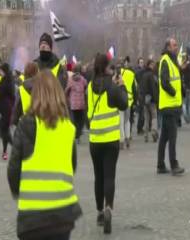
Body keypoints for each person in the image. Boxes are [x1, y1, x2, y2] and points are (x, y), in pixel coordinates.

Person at [8, 70, 82, 240]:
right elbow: (72, 165)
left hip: (33, 216)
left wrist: (19, 192)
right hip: (63, 213)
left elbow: (13, 168)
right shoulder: (68, 127)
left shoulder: (27, 124)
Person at [87, 53, 128, 234]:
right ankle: (108, 208)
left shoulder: (90, 86)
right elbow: (124, 105)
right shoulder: (112, 85)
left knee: (98, 176)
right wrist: (123, 87)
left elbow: (89, 113)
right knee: (109, 176)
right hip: (111, 138)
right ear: (105, 67)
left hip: (95, 139)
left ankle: (99, 213)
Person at [157, 38, 185, 175]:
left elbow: (176, 80)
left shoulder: (172, 61)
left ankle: (160, 165)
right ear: (168, 47)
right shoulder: (165, 61)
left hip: (172, 105)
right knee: (172, 136)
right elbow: (164, 82)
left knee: (164, 137)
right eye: (174, 45)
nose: (176, 47)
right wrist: (174, 92)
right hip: (169, 105)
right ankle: (174, 165)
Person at [0, 63, 15, 160]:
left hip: (6, 108)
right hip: (3, 107)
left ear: (4, 70)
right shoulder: (4, 80)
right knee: (4, 130)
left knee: (4, 130)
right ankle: (5, 151)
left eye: (0, 70)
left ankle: (13, 147)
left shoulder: (8, 81)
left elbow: (12, 95)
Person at [65, 64, 87, 143]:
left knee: (73, 120)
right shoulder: (83, 79)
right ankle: (78, 135)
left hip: (73, 104)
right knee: (80, 120)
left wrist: (68, 97)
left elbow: (67, 90)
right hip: (81, 104)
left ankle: (74, 135)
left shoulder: (70, 80)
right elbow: (86, 87)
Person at [119, 57, 137, 149]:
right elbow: (135, 88)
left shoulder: (117, 74)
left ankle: (121, 140)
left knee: (120, 121)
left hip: (119, 100)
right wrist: (135, 100)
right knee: (127, 121)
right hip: (129, 100)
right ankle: (127, 138)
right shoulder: (131, 74)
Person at [142, 59, 158, 142]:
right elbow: (153, 88)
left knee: (147, 118)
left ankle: (145, 135)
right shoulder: (152, 75)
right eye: (152, 64)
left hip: (145, 99)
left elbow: (141, 88)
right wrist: (156, 99)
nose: (153, 66)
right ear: (150, 65)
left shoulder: (144, 75)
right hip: (151, 99)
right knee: (154, 116)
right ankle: (154, 131)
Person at [135, 57, 146, 135]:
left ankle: (141, 127)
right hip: (139, 93)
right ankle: (139, 128)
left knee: (143, 112)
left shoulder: (143, 71)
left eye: (142, 62)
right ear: (138, 63)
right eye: (140, 62)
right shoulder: (138, 71)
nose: (142, 64)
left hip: (143, 92)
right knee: (141, 112)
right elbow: (138, 75)